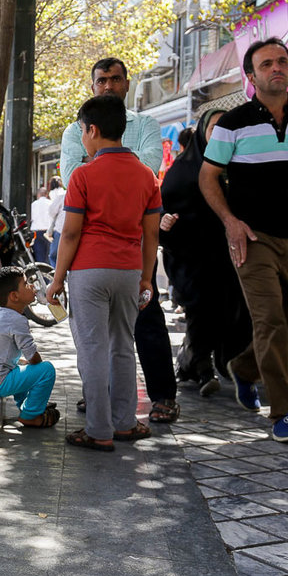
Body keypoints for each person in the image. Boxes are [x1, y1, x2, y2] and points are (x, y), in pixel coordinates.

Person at [200, 37, 288, 443]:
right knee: (270, 319)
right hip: (251, 238)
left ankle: (245, 367)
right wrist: (230, 222)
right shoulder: (233, 123)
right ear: (251, 76)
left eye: (283, 61)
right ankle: (285, 413)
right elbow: (208, 177)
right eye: (268, 63)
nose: (278, 67)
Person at [60, 57, 178, 425]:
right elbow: (73, 173)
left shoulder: (144, 125)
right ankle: (122, 420)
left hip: (102, 258)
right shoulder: (74, 131)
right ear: (92, 85)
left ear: (127, 84)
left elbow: (146, 165)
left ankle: (104, 424)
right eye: (101, 80)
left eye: (115, 79)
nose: (108, 85)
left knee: (112, 337)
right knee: (117, 343)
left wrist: (55, 277)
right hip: (131, 259)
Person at [47, 95, 162, 451]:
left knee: (93, 349)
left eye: (82, 131)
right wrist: (146, 278)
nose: (82, 138)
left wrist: (56, 278)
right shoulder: (146, 176)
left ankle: (98, 430)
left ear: (93, 130)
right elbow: (152, 234)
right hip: (129, 271)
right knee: (123, 347)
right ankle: (126, 423)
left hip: (89, 271)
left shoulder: (83, 175)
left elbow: (70, 233)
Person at [160, 109, 251, 396]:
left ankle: (207, 362)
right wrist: (165, 221)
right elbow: (163, 208)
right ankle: (200, 366)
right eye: (215, 127)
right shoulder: (184, 170)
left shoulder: (240, 167)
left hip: (229, 257)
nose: (221, 134)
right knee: (201, 308)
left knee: (229, 310)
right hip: (191, 257)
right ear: (202, 132)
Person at [0, 266, 59, 428]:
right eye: (26, 284)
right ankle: (30, 415)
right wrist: (34, 365)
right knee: (46, 370)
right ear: (14, 296)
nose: (32, 286)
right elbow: (33, 356)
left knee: (20, 367)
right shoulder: (16, 320)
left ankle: (27, 405)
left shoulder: (1, 314)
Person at [46, 177, 66, 267]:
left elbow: (51, 212)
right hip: (74, 228)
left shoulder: (58, 196)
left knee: (54, 255)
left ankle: (56, 277)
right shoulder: (64, 193)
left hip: (60, 229)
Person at [29, 187, 52, 264]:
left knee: (39, 255)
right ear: (46, 194)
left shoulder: (33, 204)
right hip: (49, 232)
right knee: (48, 255)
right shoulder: (51, 203)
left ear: (38, 195)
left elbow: (31, 218)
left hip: (37, 232)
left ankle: (41, 273)